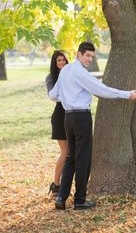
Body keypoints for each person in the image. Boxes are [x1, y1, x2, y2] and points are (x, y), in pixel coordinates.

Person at [49, 41, 136, 211]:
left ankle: (61, 197)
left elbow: (53, 95)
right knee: (82, 160)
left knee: (70, 158)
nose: (89, 59)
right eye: (87, 55)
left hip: (68, 118)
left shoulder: (65, 70)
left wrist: (68, 97)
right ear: (79, 54)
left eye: (92, 56)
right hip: (81, 117)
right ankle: (80, 201)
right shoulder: (81, 73)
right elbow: (102, 90)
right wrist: (127, 95)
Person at [45, 50, 69, 196]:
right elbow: (53, 97)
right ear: (54, 63)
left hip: (73, 115)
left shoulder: (71, 74)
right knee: (65, 152)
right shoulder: (51, 77)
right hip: (60, 116)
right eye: (58, 60)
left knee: (73, 154)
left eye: (64, 60)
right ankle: (56, 184)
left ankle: (64, 185)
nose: (61, 63)